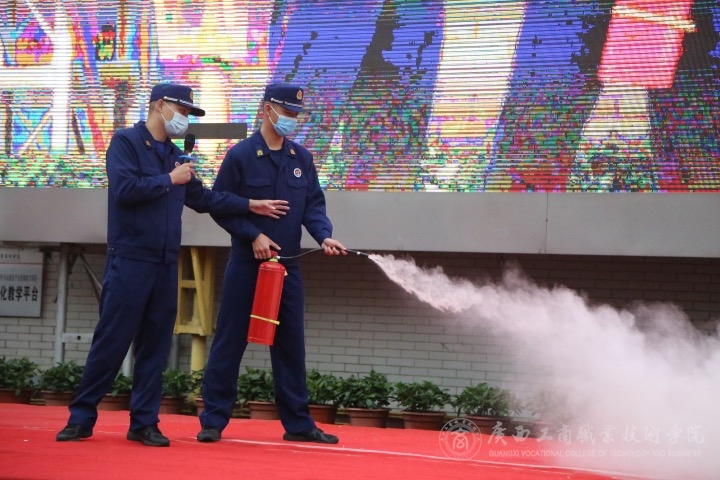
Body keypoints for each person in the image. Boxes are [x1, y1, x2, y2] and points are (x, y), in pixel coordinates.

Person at [56, 83, 289, 447]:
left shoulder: (175, 155)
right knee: (112, 340)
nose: (184, 119)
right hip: (130, 258)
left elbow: (204, 199)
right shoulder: (126, 142)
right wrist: (169, 179)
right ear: (160, 105)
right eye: (181, 111)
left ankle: (144, 422)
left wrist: (249, 205)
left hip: (165, 262)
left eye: (188, 114)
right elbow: (124, 190)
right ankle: (81, 417)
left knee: (155, 346)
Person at [196, 83, 346, 444]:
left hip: (287, 267)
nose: (292, 120)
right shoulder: (241, 155)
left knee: (290, 346)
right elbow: (219, 205)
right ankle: (213, 420)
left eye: (296, 115)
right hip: (247, 265)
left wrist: (324, 236)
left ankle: (298, 424)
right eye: (287, 113)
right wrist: (253, 235)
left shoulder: (301, 159)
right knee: (230, 341)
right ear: (267, 110)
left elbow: (313, 206)